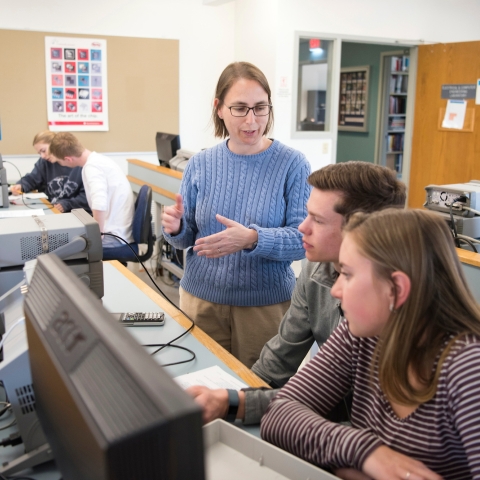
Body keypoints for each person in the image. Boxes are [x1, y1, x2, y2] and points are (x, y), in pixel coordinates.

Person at [261, 208, 480, 480]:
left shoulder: (469, 368)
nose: (335, 290)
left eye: (348, 275)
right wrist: (367, 452)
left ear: (396, 289)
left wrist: (345, 465)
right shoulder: (363, 334)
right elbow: (280, 414)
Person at [188, 161, 406, 424]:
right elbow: (285, 367)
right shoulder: (315, 269)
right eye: (307, 215)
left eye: (318, 220)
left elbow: (384, 433)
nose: (302, 228)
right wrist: (234, 401)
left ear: (362, 230)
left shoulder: (396, 308)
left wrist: (239, 406)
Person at [161, 62, 311, 368]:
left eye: (260, 108)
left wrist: (252, 239)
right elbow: (187, 239)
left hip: (265, 307)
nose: (252, 120)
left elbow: (303, 240)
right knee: (198, 385)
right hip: (201, 301)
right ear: (219, 108)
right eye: (240, 108)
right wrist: (176, 228)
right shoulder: (200, 164)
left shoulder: (292, 164)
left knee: (255, 397)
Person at [49, 132, 134, 248]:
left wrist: (96, 236)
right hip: (118, 231)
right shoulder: (98, 160)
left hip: (113, 237)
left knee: (57, 245)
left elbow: (99, 204)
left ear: (68, 159)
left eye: (59, 161)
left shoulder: (92, 167)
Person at [11, 131, 90, 213]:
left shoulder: (78, 164)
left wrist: (66, 204)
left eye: (44, 151)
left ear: (55, 146)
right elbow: (33, 178)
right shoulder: (45, 162)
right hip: (52, 209)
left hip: (74, 212)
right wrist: (21, 185)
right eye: (39, 153)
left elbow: (87, 197)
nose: (42, 156)